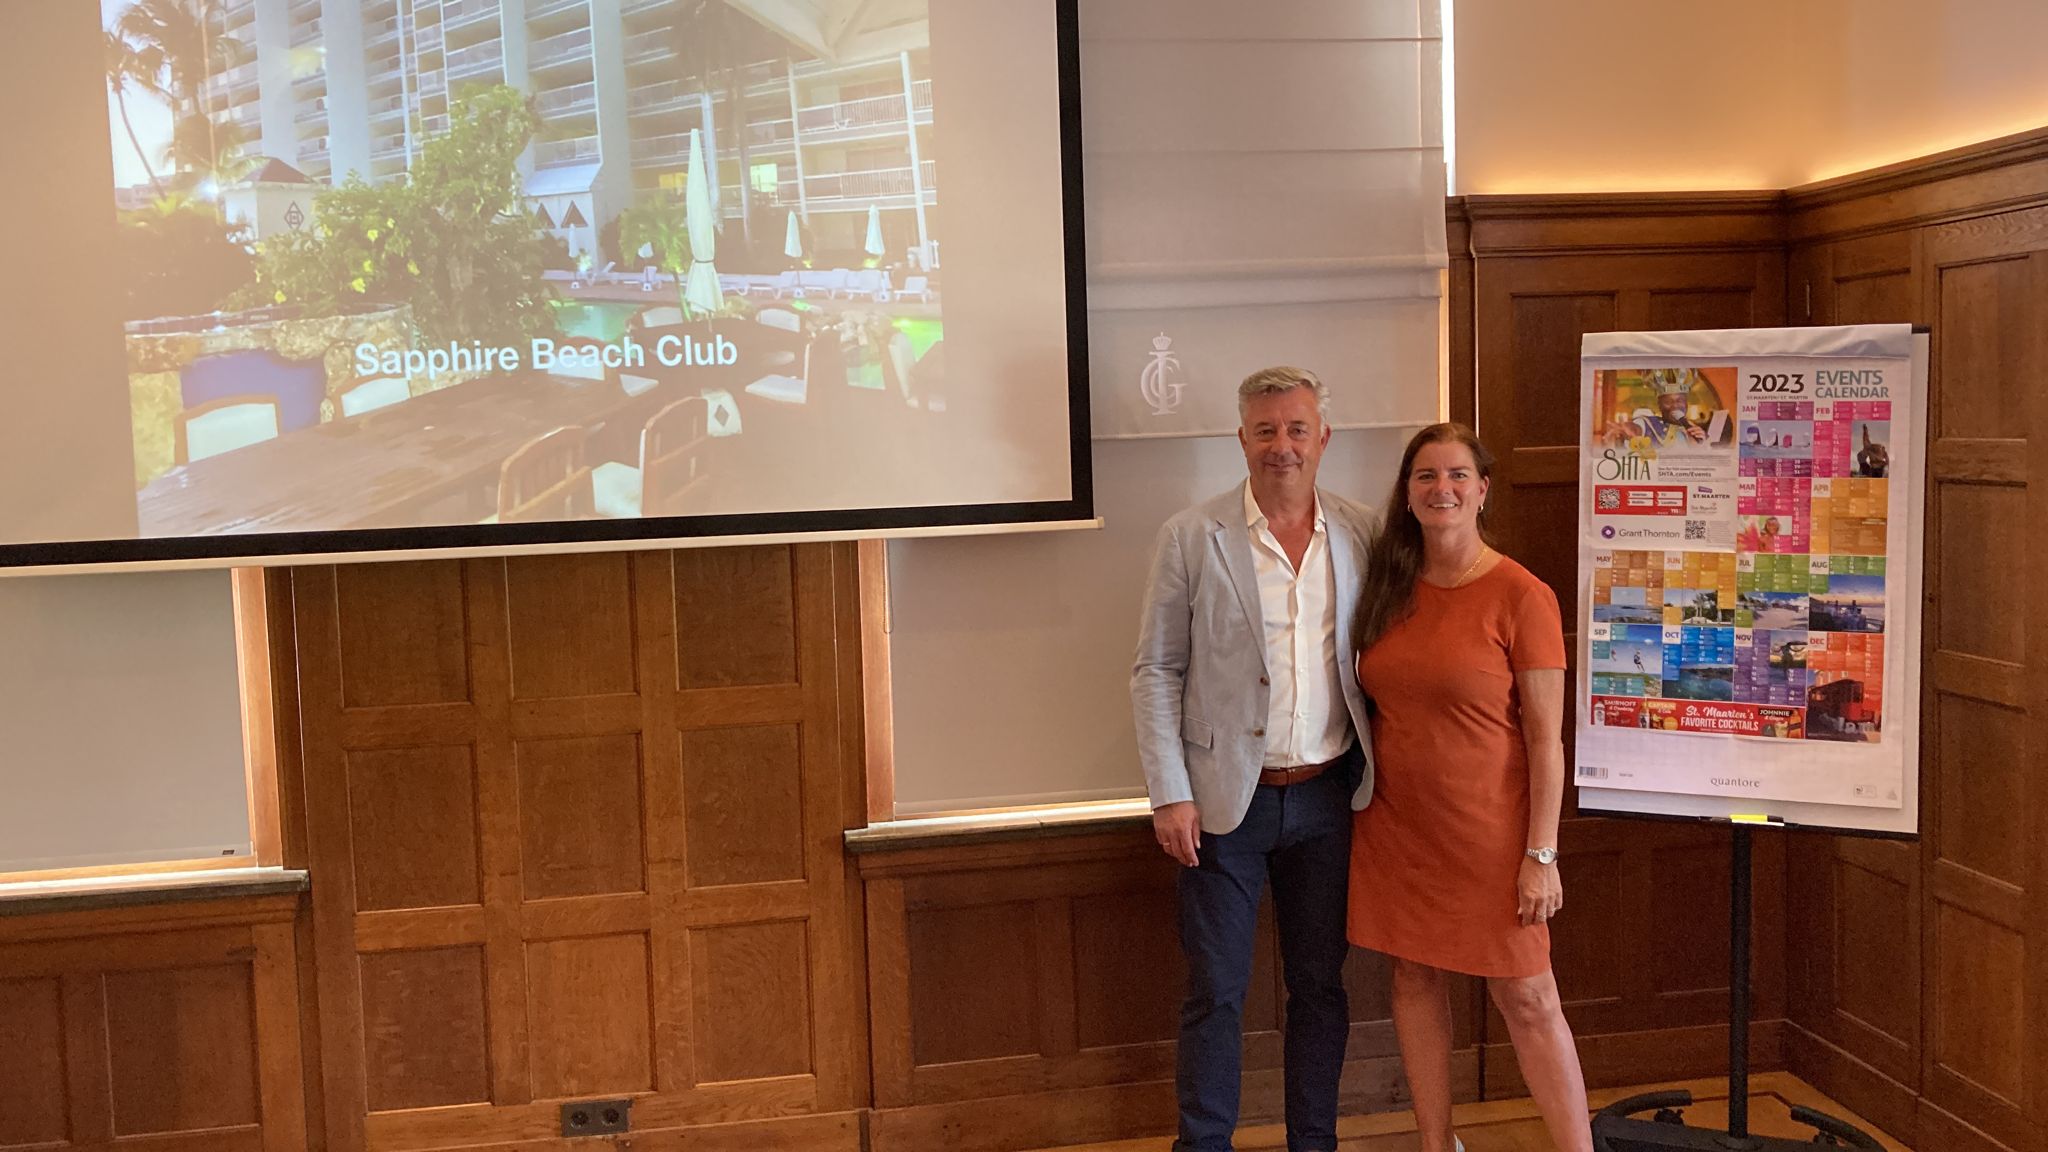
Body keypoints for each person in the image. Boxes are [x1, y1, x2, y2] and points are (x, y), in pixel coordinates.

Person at [1132, 366, 1377, 1152]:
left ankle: (1315, 1143)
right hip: (1220, 806)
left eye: (1297, 429)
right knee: (1216, 992)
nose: (1282, 445)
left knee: (1320, 988)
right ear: (1242, 439)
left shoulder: (1363, 532)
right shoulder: (1190, 535)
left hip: (1329, 799)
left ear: (1323, 437)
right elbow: (1156, 669)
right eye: (1266, 430)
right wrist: (1169, 792)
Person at [1347, 423, 1592, 1152]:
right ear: (1407, 493)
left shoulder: (1523, 594)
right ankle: (1437, 1145)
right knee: (1412, 978)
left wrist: (1541, 855)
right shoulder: (1385, 585)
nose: (1442, 488)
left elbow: (1546, 741)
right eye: (1426, 475)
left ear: (1482, 490)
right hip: (1396, 828)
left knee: (1528, 996)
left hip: (1493, 837)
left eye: (1457, 475)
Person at [1599, 368, 1707, 450]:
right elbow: (1637, 428)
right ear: (1660, 405)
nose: (1675, 406)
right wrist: (1631, 430)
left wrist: (1697, 446)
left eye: (1679, 401)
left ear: (1686, 403)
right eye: (1668, 402)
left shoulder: (1694, 430)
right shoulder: (1649, 424)